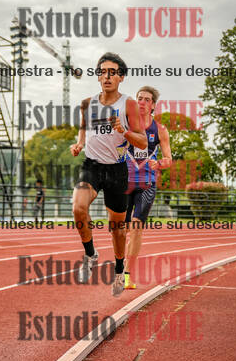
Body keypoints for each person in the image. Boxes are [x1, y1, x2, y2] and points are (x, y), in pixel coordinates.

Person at [70, 53, 147, 297]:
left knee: (118, 229)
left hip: (117, 169)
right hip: (92, 166)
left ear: (121, 77)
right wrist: (78, 144)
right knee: (78, 208)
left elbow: (143, 141)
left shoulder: (128, 104)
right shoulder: (87, 104)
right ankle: (90, 253)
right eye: (103, 72)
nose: (107, 76)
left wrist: (124, 131)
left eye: (113, 72)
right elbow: (83, 132)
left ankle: (119, 270)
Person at [124, 87, 172, 289]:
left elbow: (169, 159)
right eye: (139, 99)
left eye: (146, 99)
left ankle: (127, 275)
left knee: (136, 229)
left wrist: (159, 163)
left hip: (146, 184)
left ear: (153, 105)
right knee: (122, 230)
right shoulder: (125, 124)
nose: (142, 102)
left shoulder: (160, 130)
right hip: (124, 183)